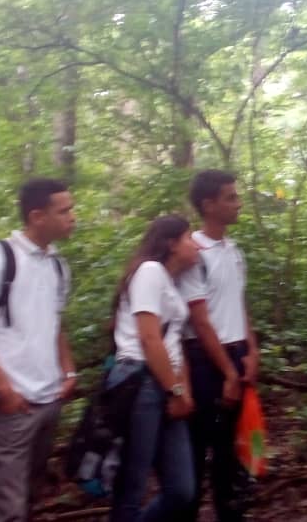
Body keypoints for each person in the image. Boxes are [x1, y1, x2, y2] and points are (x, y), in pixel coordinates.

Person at [0, 178, 77, 522]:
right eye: (65, 210)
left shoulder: (58, 265)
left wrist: (68, 371)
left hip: (47, 397)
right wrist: (2, 388)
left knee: (28, 497)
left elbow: (54, 323)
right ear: (37, 216)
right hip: (9, 402)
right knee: (7, 507)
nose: (73, 216)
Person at [178, 170, 257, 521]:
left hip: (236, 352)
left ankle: (230, 512)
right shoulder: (193, 253)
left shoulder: (234, 251)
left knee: (232, 447)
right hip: (205, 360)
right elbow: (200, 319)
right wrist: (227, 371)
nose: (238, 203)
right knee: (197, 447)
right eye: (230, 197)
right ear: (208, 205)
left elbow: (238, 305)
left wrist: (252, 352)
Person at [108, 215, 198, 522]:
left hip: (163, 384)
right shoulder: (150, 272)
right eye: (189, 237)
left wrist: (182, 390)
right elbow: (149, 338)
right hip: (140, 382)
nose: (195, 244)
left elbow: (173, 342)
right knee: (131, 488)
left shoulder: (170, 283)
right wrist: (175, 389)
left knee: (181, 490)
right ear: (171, 243)